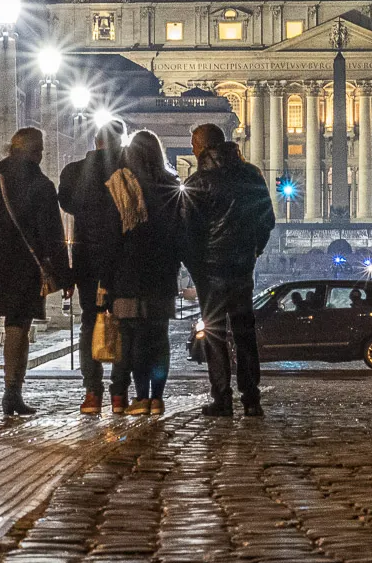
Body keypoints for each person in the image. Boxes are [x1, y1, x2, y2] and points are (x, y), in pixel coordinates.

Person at [0, 127, 72, 416]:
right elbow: (52, 236)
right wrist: (65, 275)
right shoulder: (41, 185)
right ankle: (12, 393)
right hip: (23, 269)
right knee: (18, 326)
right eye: (40, 148)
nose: (42, 153)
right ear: (34, 152)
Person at [185, 123, 276, 417]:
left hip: (210, 269)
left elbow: (187, 230)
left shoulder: (198, 181)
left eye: (194, 144)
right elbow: (267, 220)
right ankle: (251, 398)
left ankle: (222, 398)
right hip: (241, 266)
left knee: (214, 334)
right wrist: (254, 250)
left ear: (201, 147)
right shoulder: (252, 175)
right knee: (244, 332)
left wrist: (195, 263)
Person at [99, 131, 186, 416]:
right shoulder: (171, 186)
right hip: (162, 275)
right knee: (159, 338)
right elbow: (179, 235)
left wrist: (106, 281)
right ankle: (157, 398)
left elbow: (111, 238)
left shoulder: (119, 184)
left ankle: (140, 397)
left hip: (127, 275)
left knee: (132, 337)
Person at [58, 122, 127, 414]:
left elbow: (67, 203)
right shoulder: (129, 172)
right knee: (122, 323)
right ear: (120, 142)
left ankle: (92, 393)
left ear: (96, 141)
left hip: (86, 257)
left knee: (90, 323)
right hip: (124, 257)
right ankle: (120, 395)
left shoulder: (74, 172)